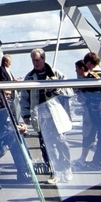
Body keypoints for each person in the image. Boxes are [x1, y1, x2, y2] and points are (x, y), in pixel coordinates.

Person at [21, 49, 73, 184]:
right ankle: (55, 171)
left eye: (37, 60)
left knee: (61, 142)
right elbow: (24, 97)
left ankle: (66, 167)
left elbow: (69, 90)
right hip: (40, 117)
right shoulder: (29, 77)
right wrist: (25, 114)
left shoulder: (55, 74)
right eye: (33, 60)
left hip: (55, 115)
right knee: (46, 146)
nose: (35, 63)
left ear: (44, 59)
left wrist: (55, 89)